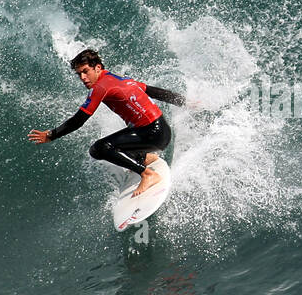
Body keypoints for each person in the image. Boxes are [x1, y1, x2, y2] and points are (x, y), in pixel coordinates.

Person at [29, 49, 186, 196]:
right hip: (162, 131)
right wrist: (184, 102)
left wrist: (52, 135)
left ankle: (147, 173)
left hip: (152, 134)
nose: (83, 78)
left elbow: (79, 120)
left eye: (85, 71)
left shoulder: (100, 87)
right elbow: (153, 91)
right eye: (79, 74)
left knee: (99, 149)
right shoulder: (118, 79)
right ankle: (144, 157)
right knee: (129, 129)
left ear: (97, 68)